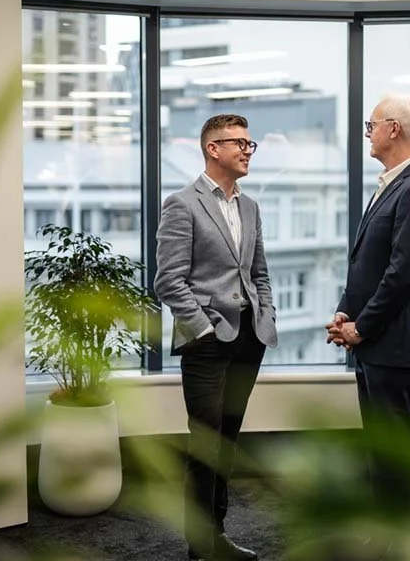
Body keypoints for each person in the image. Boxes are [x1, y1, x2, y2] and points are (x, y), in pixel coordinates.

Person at [155, 114, 277, 561]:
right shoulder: (182, 204)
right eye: (239, 143)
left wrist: (266, 314)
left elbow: (259, 273)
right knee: (205, 446)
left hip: (249, 338)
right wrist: (204, 327)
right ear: (213, 148)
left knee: (226, 441)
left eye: (250, 143)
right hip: (206, 342)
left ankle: (217, 535)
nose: (247, 150)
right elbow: (168, 280)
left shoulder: (250, 207)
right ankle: (199, 546)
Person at [326, 93, 410, 512]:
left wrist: (361, 328)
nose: (369, 133)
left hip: (397, 341)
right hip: (379, 340)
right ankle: (386, 534)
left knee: (394, 454)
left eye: (371, 125)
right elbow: (369, 261)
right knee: (381, 451)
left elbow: (401, 275)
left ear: (393, 128)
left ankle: (404, 540)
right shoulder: (396, 183)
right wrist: (347, 311)